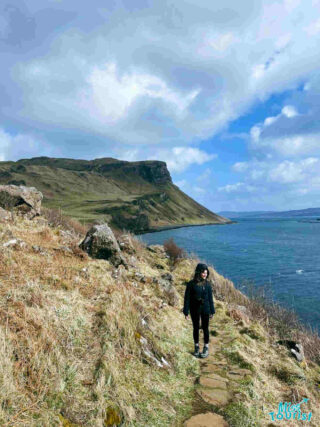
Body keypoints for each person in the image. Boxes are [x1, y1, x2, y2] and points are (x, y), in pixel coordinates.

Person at [183, 263, 215, 358]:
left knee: (205, 328)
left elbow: (210, 298)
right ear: (198, 272)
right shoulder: (191, 284)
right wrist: (186, 311)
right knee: (196, 328)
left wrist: (212, 311)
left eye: (206, 273)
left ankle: (206, 347)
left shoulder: (208, 284)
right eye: (203, 273)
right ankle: (196, 346)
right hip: (194, 309)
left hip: (205, 309)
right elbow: (187, 298)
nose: (205, 274)